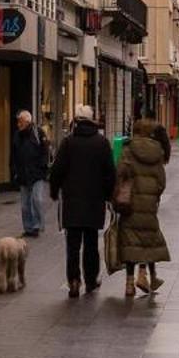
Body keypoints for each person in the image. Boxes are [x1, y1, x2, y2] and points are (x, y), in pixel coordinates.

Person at [49, 103, 116, 297]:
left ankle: (74, 281)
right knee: (91, 244)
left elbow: (57, 170)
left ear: (76, 121)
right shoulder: (102, 143)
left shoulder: (68, 143)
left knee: (73, 245)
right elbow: (110, 173)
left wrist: (55, 191)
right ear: (92, 119)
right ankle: (91, 279)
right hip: (94, 203)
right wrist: (108, 196)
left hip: (72, 202)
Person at [117, 117, 172, 298]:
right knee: (148, 239)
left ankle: (129, 284)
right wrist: (153, 195)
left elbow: (120, 174)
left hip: (130, 204)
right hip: (149, 205)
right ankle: (144, 275)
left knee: (130, 242)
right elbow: (161, 182)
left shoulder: (128, 150)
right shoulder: (157, 152)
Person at [13, 109, 50, 239]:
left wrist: (42, 168)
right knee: (24, 205)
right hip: (23, 174)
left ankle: (37, 226)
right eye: (18, 121)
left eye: (20, 121)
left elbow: (45, 152)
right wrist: (14, 170)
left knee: (37, 199)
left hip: (37, 174)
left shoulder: (38, 133)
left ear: (28, 121)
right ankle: (28, 228)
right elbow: (14, 154)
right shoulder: (17, 135)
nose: (18, 124)